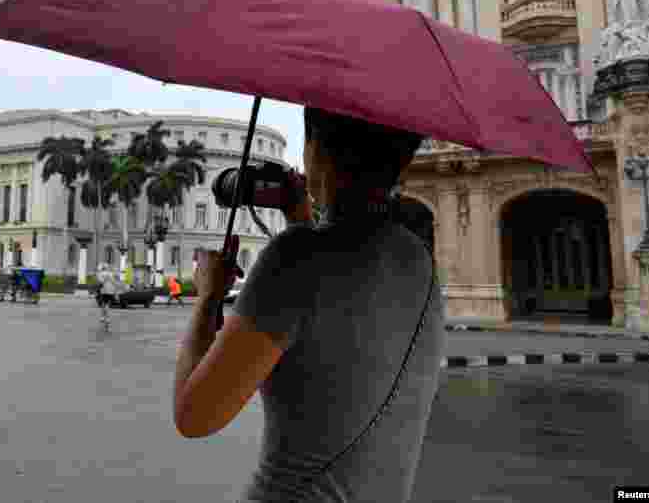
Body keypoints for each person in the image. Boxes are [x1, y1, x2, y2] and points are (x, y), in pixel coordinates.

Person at [172, 106, 445, 503]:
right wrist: (300, 220)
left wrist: (208, 297)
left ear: (316, 149)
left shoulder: (295, 260)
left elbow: (194, 415)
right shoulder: (420, 260)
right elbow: (333, 329)